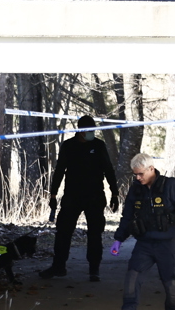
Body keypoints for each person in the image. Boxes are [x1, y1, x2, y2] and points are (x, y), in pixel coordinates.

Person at [103, 153, 175, 310]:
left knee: (172, 288)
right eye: (135, 175)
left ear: (150, 169)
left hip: (168, 245)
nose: (137, 178)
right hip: (144, 245)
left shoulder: (172, 186)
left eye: (140, 174)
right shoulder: (136, 190)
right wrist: (118, 239)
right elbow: (128, 216)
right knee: (131, 283)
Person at [39, 114, 119, 282]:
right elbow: (60, 170)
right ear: (81, 131)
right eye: (89, 130)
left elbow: (108, 169)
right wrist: (53, 194)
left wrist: (115, 193)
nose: (92, 132)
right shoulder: (68, 146)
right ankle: (58, 266)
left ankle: (94, 269)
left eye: (93, 129)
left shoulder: (99, 145)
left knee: (95, 233)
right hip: (72, 196)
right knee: (63, 232)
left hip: (95, 196)